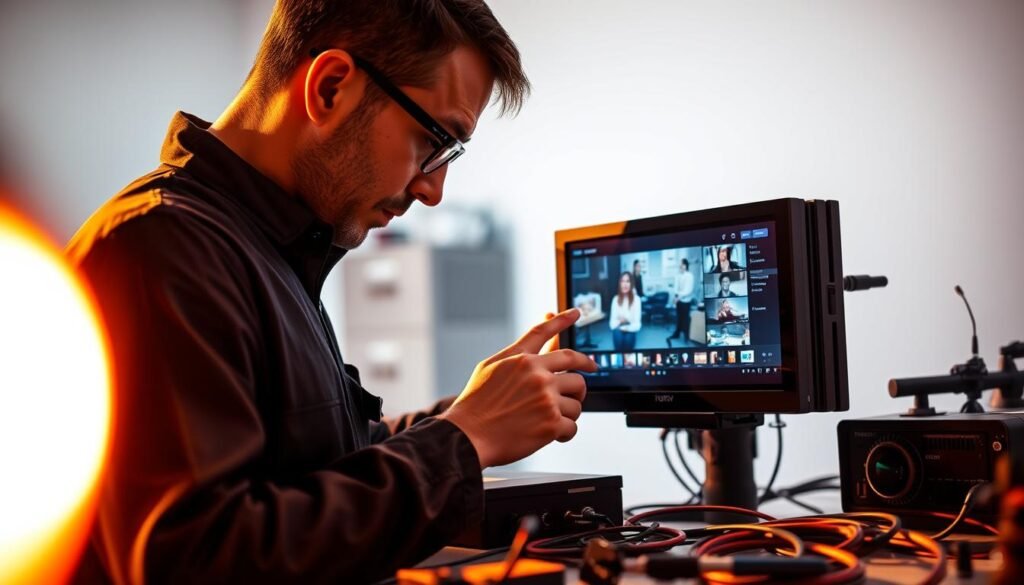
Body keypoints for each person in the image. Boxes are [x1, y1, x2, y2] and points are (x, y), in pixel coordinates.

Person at [65, 2, 597, 583]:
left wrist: (474, 411)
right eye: (433, 141)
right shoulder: (159, 248)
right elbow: (196, 558)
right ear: (331, 87)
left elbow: (325, 459)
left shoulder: (265, 250)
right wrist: (464, 440)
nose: (433, 189)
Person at [610, 271, 641, 351]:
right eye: (622, 281)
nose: (625, 284)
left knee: (628, 339)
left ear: (631, 284)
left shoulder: (637, 300)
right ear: (619, 284)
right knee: (618, 336)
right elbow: (612, 324)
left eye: (628, 281)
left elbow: (637, 325)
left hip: (631, 328)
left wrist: (625, 323)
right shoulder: (615, 299)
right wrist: (621, 322)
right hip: (618, 327)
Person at [668, 257, 695, 344]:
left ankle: (686, 336)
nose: (681, 266)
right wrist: (675, 297)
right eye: (680, 264)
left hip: (686, 301)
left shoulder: (690, 276)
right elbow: (675, 288)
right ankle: (677, 334)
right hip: (678, 300)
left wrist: (678, 298)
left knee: (685, 319)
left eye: (682, 264)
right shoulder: (677, 275)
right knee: (679, 318)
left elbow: (688, 290)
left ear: (686, 265)